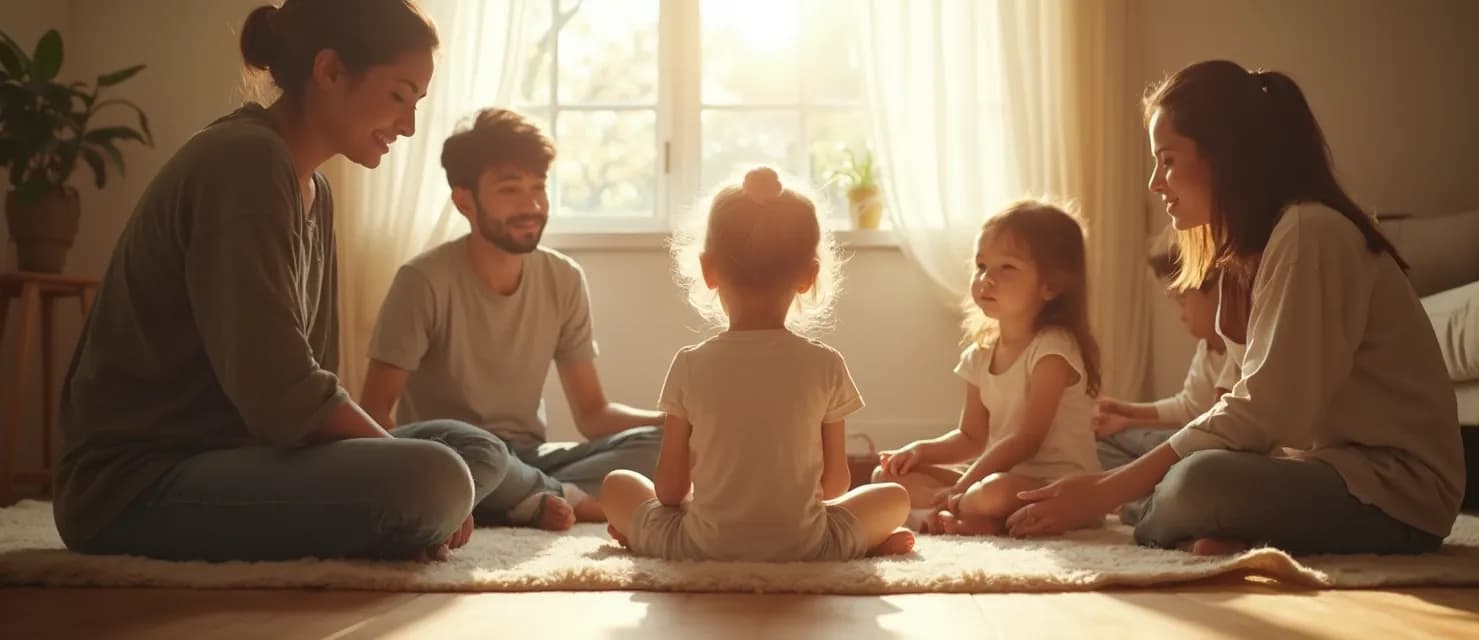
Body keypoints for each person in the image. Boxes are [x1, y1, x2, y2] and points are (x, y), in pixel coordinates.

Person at [53, 0, 510, 562]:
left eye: (416, 103)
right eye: (398, 95)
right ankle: (421, 511)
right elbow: (282, 392)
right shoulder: (243, 160)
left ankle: (423, 511)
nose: (409, 126)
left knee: (472, 449)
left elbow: (313, 379)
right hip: (135, 485)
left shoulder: (315, 193)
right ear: (330, 72)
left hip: (242, 453)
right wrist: (401, 464)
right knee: (435, 476)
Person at [1008, 60, 1464, 556]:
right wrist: (1117, 476)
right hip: (1321, 469)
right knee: (1123, 456)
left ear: (1222, 157)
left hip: (1395, 491)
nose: (1155, 184)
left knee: (1197, 481)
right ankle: (1190, 520)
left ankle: (1164, 512)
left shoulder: (1311, 231)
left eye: (1167, 160)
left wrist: (1106, 490)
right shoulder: (1246, 256)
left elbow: (1264, 414)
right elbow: (1225, 407)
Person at [362, 108, 663, 530]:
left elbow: (593, 415)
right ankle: (533, 496)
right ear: (464, 200)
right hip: (458, 454)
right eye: (510, 190)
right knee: (478, 457)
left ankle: (521, 498)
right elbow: (374, 413)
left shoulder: (564, 278)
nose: (533, 205)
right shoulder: (422, 280)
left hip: (528, 456)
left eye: (539, 188)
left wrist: (680, 423)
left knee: (663, 445)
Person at [599, 167, 914, 561]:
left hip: (700, 549)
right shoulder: (826, 365)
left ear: (708, 269)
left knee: (618, 486)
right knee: (895, 498)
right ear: (809, 275)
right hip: (807, 548)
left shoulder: (689, 365)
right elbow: (834, 486)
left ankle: (638, 539)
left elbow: (668, 491)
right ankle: (862, 543)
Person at [875, 201, 1103, 535]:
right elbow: (971, 437)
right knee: (888, 478)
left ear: (1049, 286)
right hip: (997, 478)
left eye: (1007, 268)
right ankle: (968, 516)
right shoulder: (979, 355)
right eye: (981, 266)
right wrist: (919, 451)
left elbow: (1027, 440)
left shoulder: (1054, 348)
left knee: (992, 493)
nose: (987, 279)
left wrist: (965, 484)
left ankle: (954, 514)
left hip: (1058, 487)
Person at [1093, 234, 1239, 470]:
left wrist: (1128, 422)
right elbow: (1187, 407)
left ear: (1218, 292)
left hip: (1211, 449)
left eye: (1183, 301)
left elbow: (1209, 423)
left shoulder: (1237, 350)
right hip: (1196, 439)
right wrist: (1125, 410)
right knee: (1103, 444)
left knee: (1117, 442)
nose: (1181, 315)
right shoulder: (1207, 349)